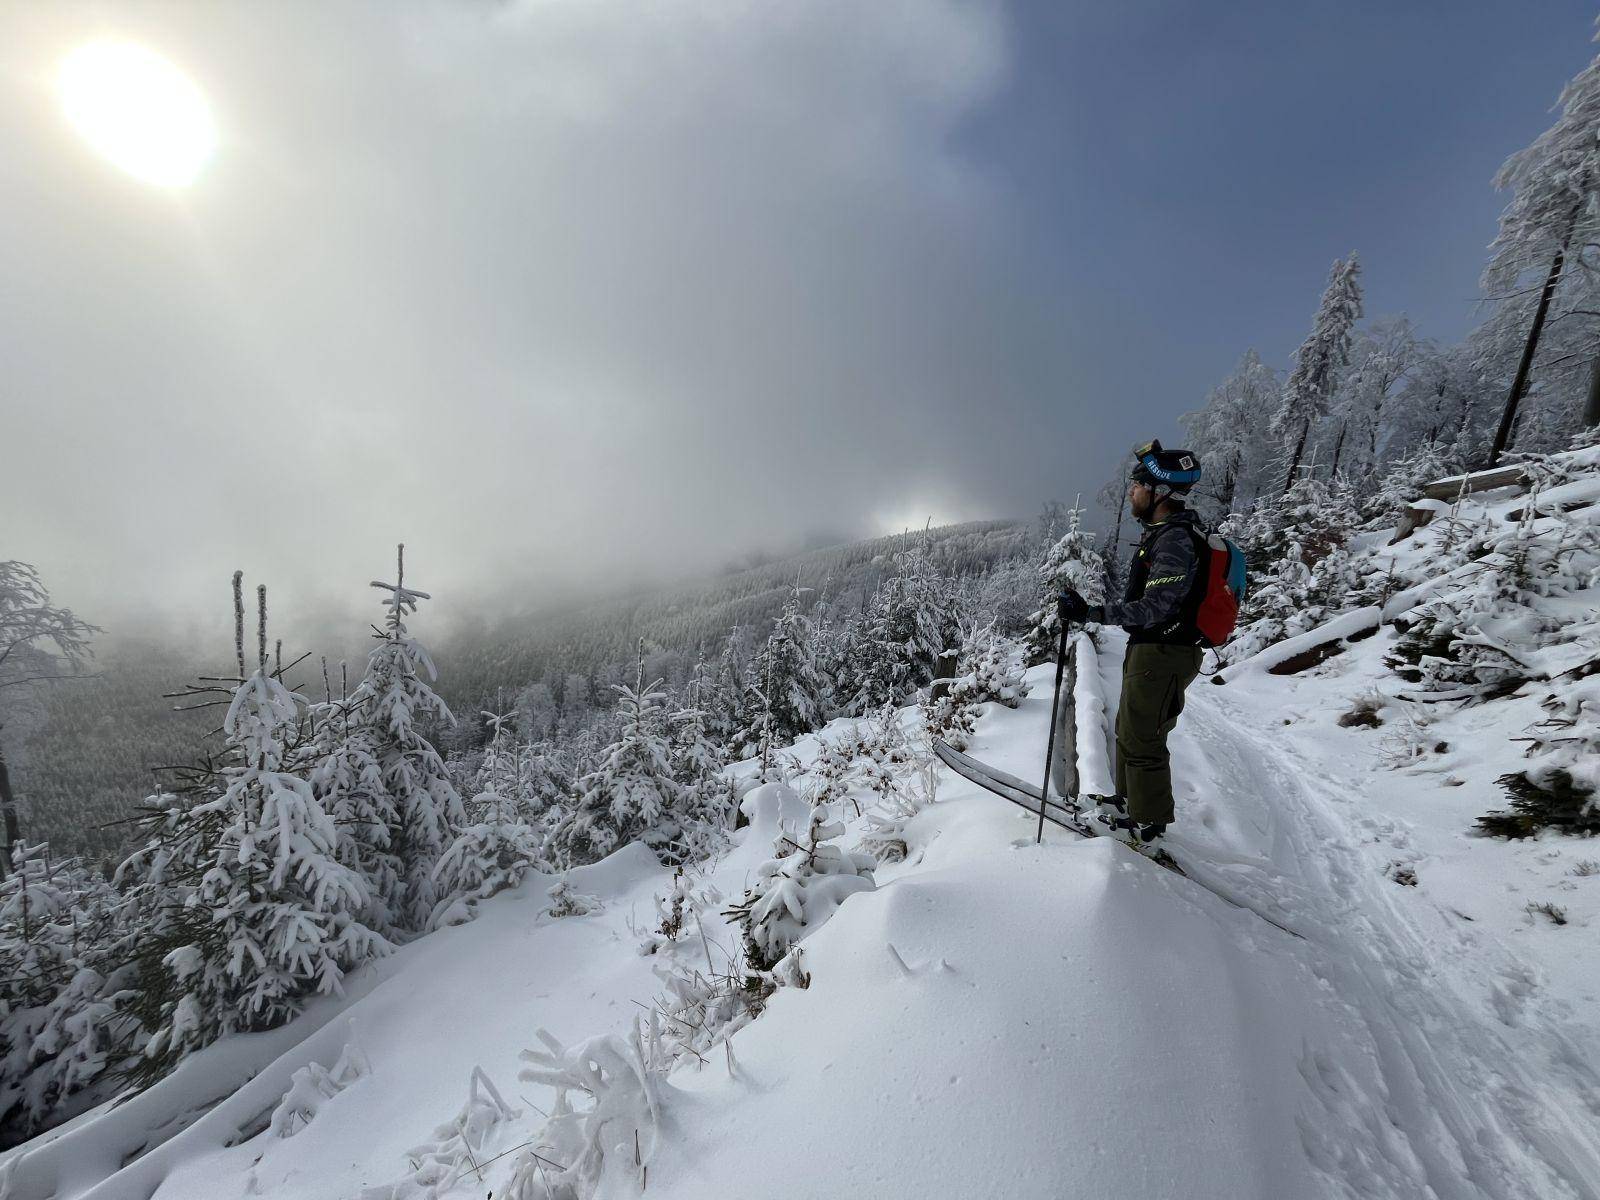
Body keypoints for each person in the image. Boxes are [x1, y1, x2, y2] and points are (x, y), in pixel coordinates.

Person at [1058, 439, 1206, 848]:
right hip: (1154, 650)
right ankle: (1129, 804)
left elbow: (1157, 606)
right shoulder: (1165, 535)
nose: (1131, 493)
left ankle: (1147, 825)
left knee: (1143, 737)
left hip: (1164, 650)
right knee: (1130, 729)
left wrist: (1092, 612)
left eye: (1138, 485)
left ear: (1160, 492)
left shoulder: (1174, 539)